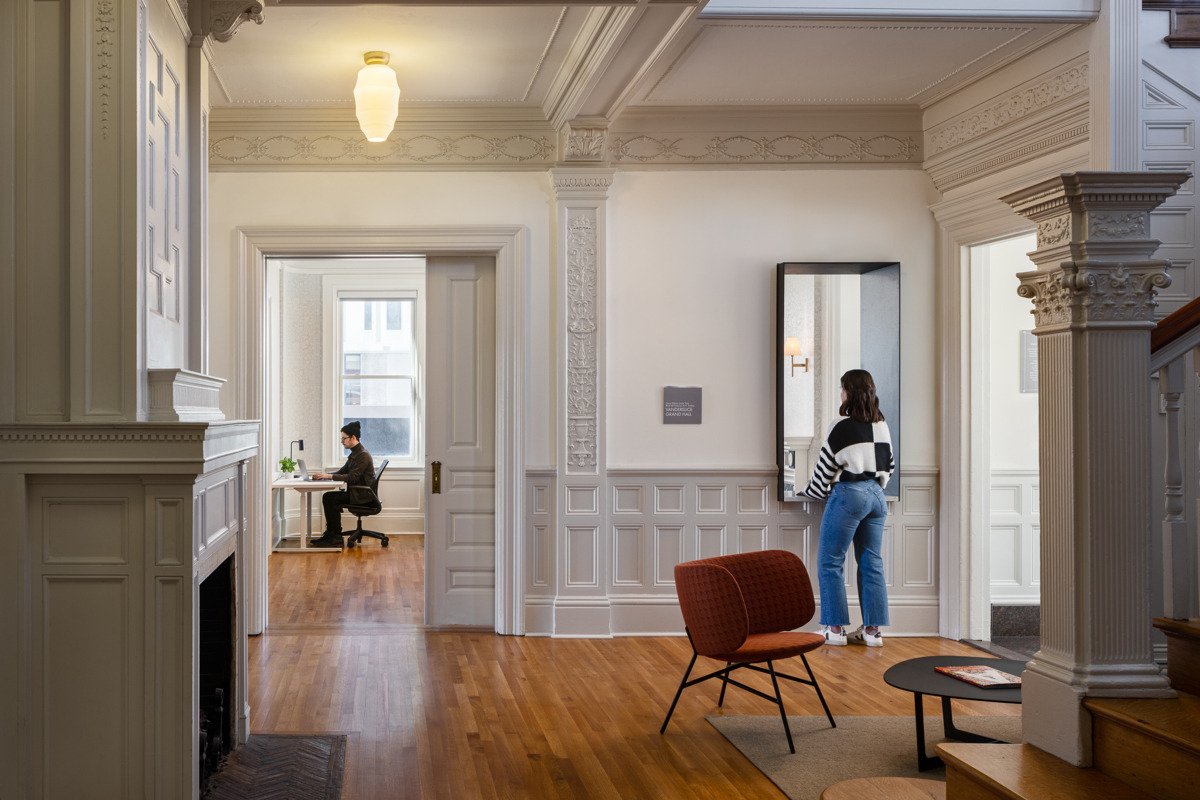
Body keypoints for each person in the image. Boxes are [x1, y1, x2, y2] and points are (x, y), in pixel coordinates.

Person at [802, 369, 895, 647]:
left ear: (848, 392)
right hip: (877, 495)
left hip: (849, 494)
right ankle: (872, 632)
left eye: (842, 388)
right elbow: (888, 465)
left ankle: (834, 630)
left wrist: (812, 491)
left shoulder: (840, 425)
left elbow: (825, 466)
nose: (840, 393)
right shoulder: (882, 424)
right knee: (871, 562)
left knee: (830, 562)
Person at [310, 421, 375, 549]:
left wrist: (328, 476)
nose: (342, 441)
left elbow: (352, 478)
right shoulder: (355, 454)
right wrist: (324, 476)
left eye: (344, 438)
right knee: (329, 497)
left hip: (362, 496)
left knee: (330, 498)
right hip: (356, 493)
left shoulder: (363, 455)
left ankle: (335, 536)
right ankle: (332, 534)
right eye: (342, 438)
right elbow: (342, 472)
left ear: (353, 438)